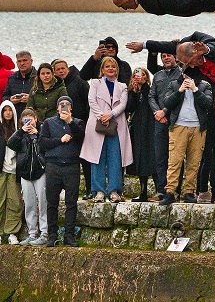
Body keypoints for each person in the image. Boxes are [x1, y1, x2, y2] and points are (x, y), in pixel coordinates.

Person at [80, 56, 133, 203]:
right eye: (107, 66)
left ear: (117, 70)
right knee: (97, 158)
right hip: (98, 124)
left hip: (116, 125)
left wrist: (111, 114)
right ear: (102, 69)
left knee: (115, 158)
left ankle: (114, 191)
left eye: (113, 67)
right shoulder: (95, 83)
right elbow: (91, 100)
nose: (110, 69)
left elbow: (122, 104)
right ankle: (98, 191)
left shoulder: (122, 86)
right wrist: (101, 115)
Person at [159, 70, 213, 205]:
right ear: (182, 73)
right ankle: (170, 191)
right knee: (174, 161)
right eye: (186, 74)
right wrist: (179, 91)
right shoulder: (173, 85)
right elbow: (167, 103)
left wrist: (195, 90)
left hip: (198, 128)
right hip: (178, 127)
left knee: (194, 162)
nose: (189, 77)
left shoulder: (204, 85)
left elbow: (208, 103)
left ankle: (189, 191)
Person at [39, 96, 85, 247]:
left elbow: (81, 137)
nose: (64, 107)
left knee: (71, 203)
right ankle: (52, 234)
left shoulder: (77, 122)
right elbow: (43, 142)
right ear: (57, 107)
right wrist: (60, 140)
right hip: (53, 165)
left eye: (67, 105)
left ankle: (69, 235)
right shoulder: (48, 122)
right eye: (61, 105)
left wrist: (70, 121)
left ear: (71, 108)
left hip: (71, 166)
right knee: (52, 202)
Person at [52, 59, 92, 200]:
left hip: (80, 125)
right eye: (58, 69)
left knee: (85, 160)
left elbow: (89, 102)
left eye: (63, 68)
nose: (61, 71)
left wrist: (86, 123)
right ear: (54, 72)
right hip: (60, 127)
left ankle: (90, 189)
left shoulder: (79, 81)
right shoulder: (54, 85)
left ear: (68, 68)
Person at [7, 108, 47, 245]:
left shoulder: (42, 130)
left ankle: (45, 232)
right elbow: (11, 144)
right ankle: (32, 233)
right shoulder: (20, 134)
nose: (29, 121)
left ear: (36, 119)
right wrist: (21, 131)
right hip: (25, 173)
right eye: (26, 119)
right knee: (29, 204)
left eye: (31, 119)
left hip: (40, 171)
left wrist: (38, 134)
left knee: (43, 202)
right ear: (22, 121)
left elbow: (48, 145)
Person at [148, 53, 182, 201]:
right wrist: (157, 112)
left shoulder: (182, 74)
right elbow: (151, 96)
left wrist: (165, 112)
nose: (166, 58)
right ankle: (161, 190)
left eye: (169, 55)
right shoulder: (158, 75)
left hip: (176, 119)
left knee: (176, 157)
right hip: (159, 121)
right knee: (160, 157)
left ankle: (175, 190)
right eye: (163, 56)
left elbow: (179, 96)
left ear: (175, 57)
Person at [126, 67, 157, 202]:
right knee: (140, 161)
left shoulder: (149, 90)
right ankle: (143, 191)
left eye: (143, 74)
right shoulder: (132, 92)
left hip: (150, 128)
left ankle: (159, 190)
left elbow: (150, 101)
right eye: (137, 74)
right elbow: (129, 108)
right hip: (137, 129)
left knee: (153, 159)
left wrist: (143, 86)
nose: (140, 77)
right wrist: (134, 91)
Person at [0, 100, 22, 244]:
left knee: (15, 202)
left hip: (15, 170)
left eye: (10, 110)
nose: (8, 112)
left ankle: (12, 232)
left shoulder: (18, 130)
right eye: (5, 110)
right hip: (1, 170)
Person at [3, 51, 36, 118]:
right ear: (16, 63)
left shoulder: (39, 77)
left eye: (25, 60)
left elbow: (46, 98)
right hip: (15, 117)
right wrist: (10, 99)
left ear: (31, 61)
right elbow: (4, 96)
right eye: (19, 61)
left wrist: (31, 99)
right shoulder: (12, 77)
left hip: (33, 117)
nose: (22, 63)